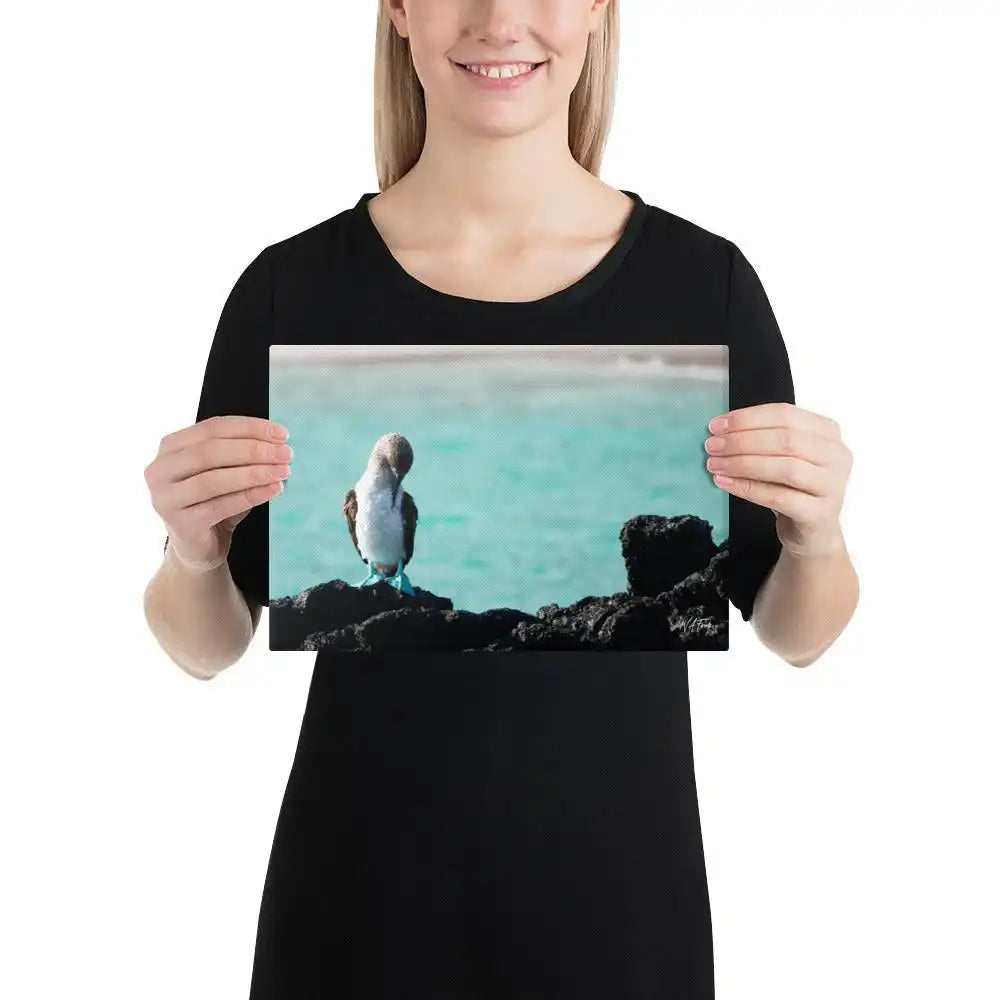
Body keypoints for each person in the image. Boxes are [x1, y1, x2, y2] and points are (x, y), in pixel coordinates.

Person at [143, 0, 859, 996]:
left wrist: (817, 536)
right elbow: (207, 642)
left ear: (600, 8)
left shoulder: (708, 284)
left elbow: (796, 632)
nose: (500, 17)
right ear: (399, 9)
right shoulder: (288, 288)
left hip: (620, 913)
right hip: (358, 910)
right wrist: (193, 551)